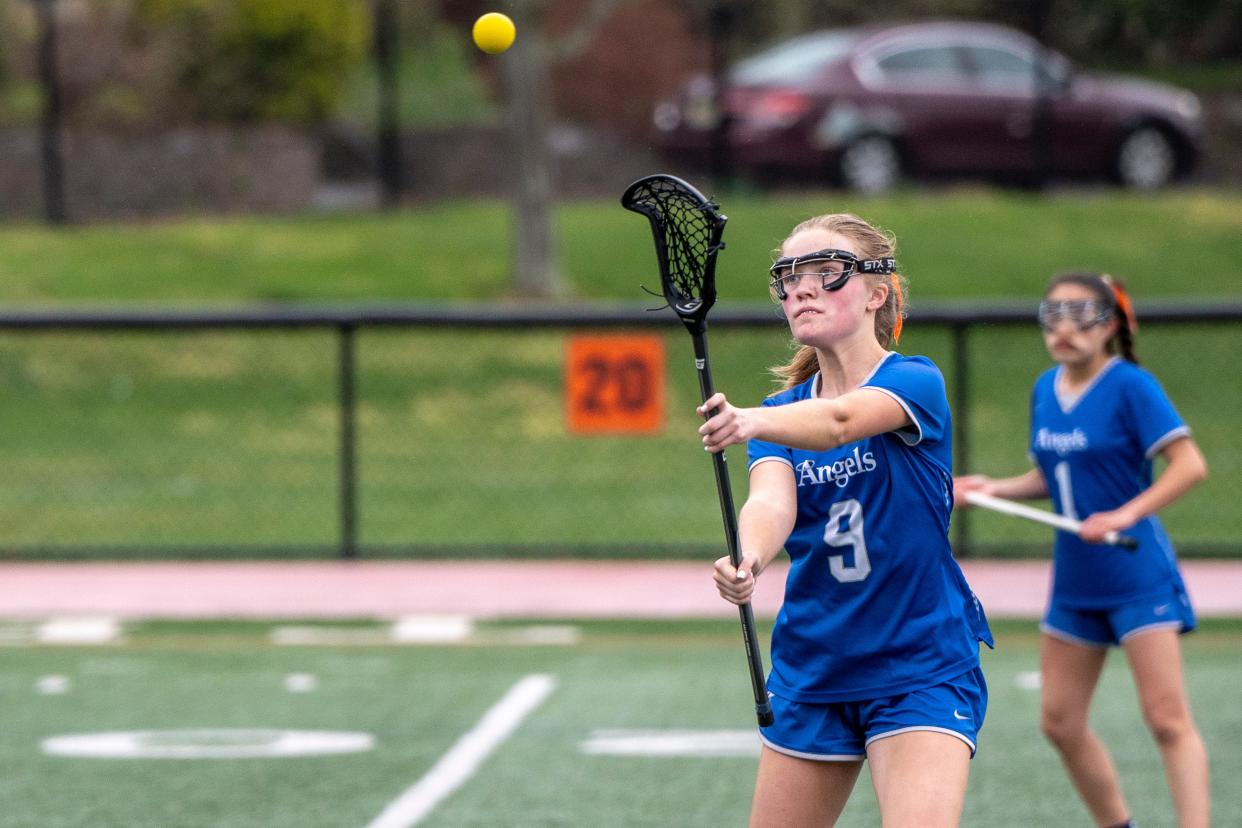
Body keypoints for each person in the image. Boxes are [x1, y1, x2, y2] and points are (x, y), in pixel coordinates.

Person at [698, 213, 992, 827]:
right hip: (816, 663)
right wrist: (748, 557)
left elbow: (840, 424)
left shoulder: (914, 381)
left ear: (876, 294)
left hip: (919, 663)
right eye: (788, 277)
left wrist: (748, 420)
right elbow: (772, 503)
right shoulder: (781, 413)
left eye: (826, 273)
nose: (802, 288)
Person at [955, 272, 1210, 828]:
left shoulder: (1131, 386)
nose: (1065, 328)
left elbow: (1190, 464)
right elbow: (1055, 476)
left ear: (1111, 325)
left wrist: (1124, 513)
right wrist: (992, 487)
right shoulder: (1046, 388)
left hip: (1135, 569)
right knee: (1060, 721)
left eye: (1082, 315)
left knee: (1167, 719)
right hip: (1075, 581)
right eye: (1053, 315)